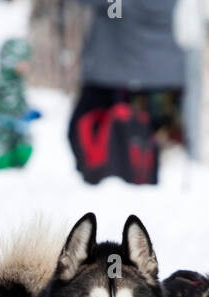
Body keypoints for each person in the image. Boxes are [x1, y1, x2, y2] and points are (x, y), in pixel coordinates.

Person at [67, 0, 186, 184]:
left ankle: (104, 177)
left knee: (86, 129)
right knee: (141, 138)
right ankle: (136, 177)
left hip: (115, 76)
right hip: (162, 76)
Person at [0, 38, 41, 170]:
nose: (27, 65)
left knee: (22, 155)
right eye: (22, 61)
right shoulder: (3, 83)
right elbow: (7, 105)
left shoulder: (18, 82)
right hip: (2, 136)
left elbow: (20, 103)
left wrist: (29, 111)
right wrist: (22, 116)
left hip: (18, 134)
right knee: (4, 167)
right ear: (10, 61)